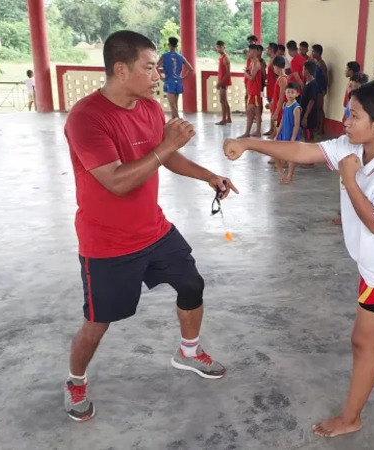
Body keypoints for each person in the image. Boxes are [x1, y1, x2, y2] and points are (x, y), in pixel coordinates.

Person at [223, 79, 374, 438]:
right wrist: (248, 143)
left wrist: (350, 180)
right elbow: (303, 150)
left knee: (363, 342)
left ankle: (351, 418)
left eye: (354, 116)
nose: (346, 122)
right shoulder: (355, 145)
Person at [62, 30, 237, 422]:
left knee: (192, 285)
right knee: (98, 322)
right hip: (107, 242)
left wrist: (209, 176)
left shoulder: (149, 108)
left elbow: (166, 159)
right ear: (121, 70)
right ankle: (75, 380)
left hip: (154, 230)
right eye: (150, 67)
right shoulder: (86, 118)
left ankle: (188, 352)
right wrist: (167, 145)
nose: (158, 76)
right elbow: (117, 181)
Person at [157, 37, 193, 119]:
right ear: (176, 45)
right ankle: (175, 120)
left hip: (169, 82)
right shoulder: (181, 57)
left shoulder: (164, 56)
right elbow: (191, 69)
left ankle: (179, 121)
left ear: (168, 44)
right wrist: (183, 78)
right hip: (178, 82)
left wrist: (161, 77)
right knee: (175, 105)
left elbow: (156, 66)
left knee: (172, 106)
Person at [275, 82, 302, 184]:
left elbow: (296, 124)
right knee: (276, 154)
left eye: (292, 92)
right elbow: (282, 120)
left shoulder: (296, 107)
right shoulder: (285, 105)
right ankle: (282, 174)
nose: (290, 94)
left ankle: (290, 176)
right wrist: (277, 134)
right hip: (283, 134)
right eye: (288, 92)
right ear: (285, 93)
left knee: (291, 158)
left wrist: (293, 138)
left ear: (297, 94)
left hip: (291, 135)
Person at [241, 45, 263, 138]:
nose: (248, 53)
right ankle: (256, 131)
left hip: (254, 92)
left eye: (249, 51)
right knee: (256, 112)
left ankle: (248, 132)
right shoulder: (252, 62)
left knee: (250, 112)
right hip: (252, 91)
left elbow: (252, 77)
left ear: (254, 52)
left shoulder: (256, 63)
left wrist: (246, 74)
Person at [300, 61, 321, 142]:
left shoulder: (313, 85)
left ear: (307, 71)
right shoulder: (307, 83)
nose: (302, 71)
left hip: (310, 115)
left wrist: (305, 116)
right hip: (305, 112)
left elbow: (311, 101)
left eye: (303, 69)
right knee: (305, 135)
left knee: (309, 136)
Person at [311, 44, 329, 136]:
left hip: (320, 89)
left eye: (313, 51)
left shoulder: (322, 64)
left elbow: (325, 78)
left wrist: (324, 89)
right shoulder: (315, 63)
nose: (312, 53)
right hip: (315, 88)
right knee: (316, 109)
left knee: (320, 109)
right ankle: (317, 126)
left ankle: (321, 128)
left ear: (318, 53)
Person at [264, 43, 279, 136]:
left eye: (268, 49)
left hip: (273, 90)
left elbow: (277, 77)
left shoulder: (275, 62)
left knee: (274, 111)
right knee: (272, 111)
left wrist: (276, 91)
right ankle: (271, 129)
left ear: (272, 50)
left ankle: (274, 131)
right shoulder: (271, 61)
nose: (267, 50)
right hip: (269, 89)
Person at [216, 40, 232, 125]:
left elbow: (228, 73)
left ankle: (223, 119)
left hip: (224, 82)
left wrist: (220, 82)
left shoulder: (226, 58)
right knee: (224, 100)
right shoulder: (221, 57)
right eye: (218, 47)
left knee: (222, 100)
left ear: (224, 47)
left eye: (220, 47)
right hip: (222, 81)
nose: (219, 49)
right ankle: (228, 118)